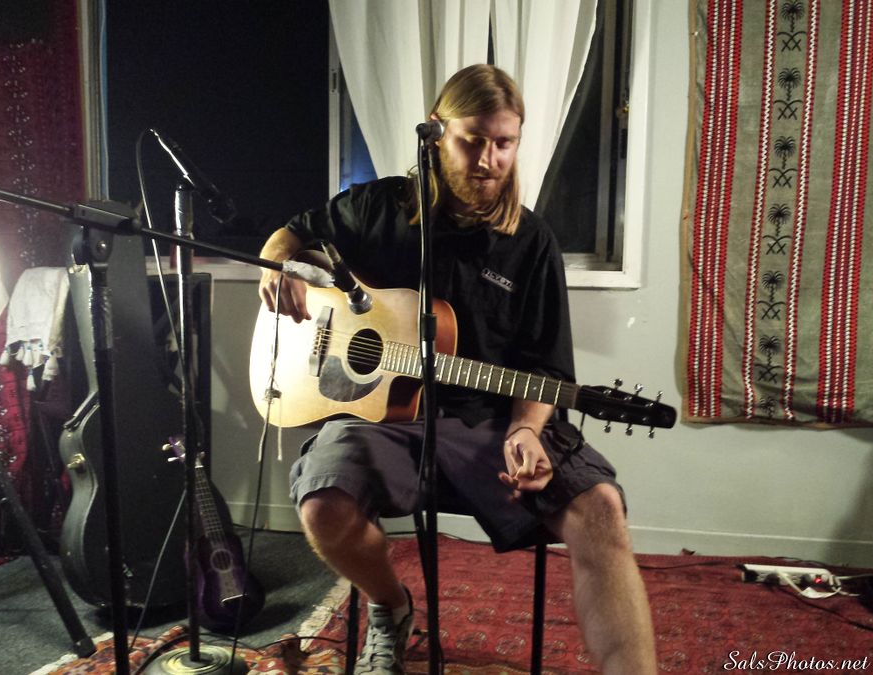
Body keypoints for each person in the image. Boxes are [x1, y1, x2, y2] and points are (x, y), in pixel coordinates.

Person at [258, 64, 656, 675]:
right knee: (322, 503)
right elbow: (290, 234)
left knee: (601, 508)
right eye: (473, 141)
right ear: (437, 132)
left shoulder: (531, 241)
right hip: (383, 420)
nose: (489, 160)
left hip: (492, 420)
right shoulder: (378, 206)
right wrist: (278, 264)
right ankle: (390, 608)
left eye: (505, 143)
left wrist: (527, 429)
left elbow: (545, 364)